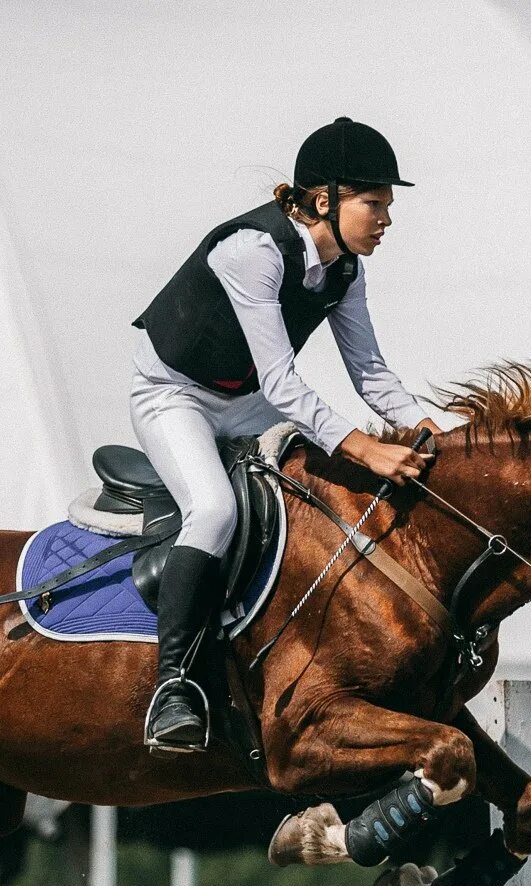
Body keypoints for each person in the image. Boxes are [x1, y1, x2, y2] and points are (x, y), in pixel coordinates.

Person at [131, 116, 437, 753]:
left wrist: (426, 426)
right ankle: (174, 686)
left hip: (245, 405)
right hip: (177, 397)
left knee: (323, 493)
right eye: (373, 203)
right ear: (324, 200)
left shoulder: (345, 269)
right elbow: (281, 383)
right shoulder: (253, 251)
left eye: (388, 206)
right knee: (213, 510)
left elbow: (371, 372)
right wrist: (363, 444)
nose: (386, 219)